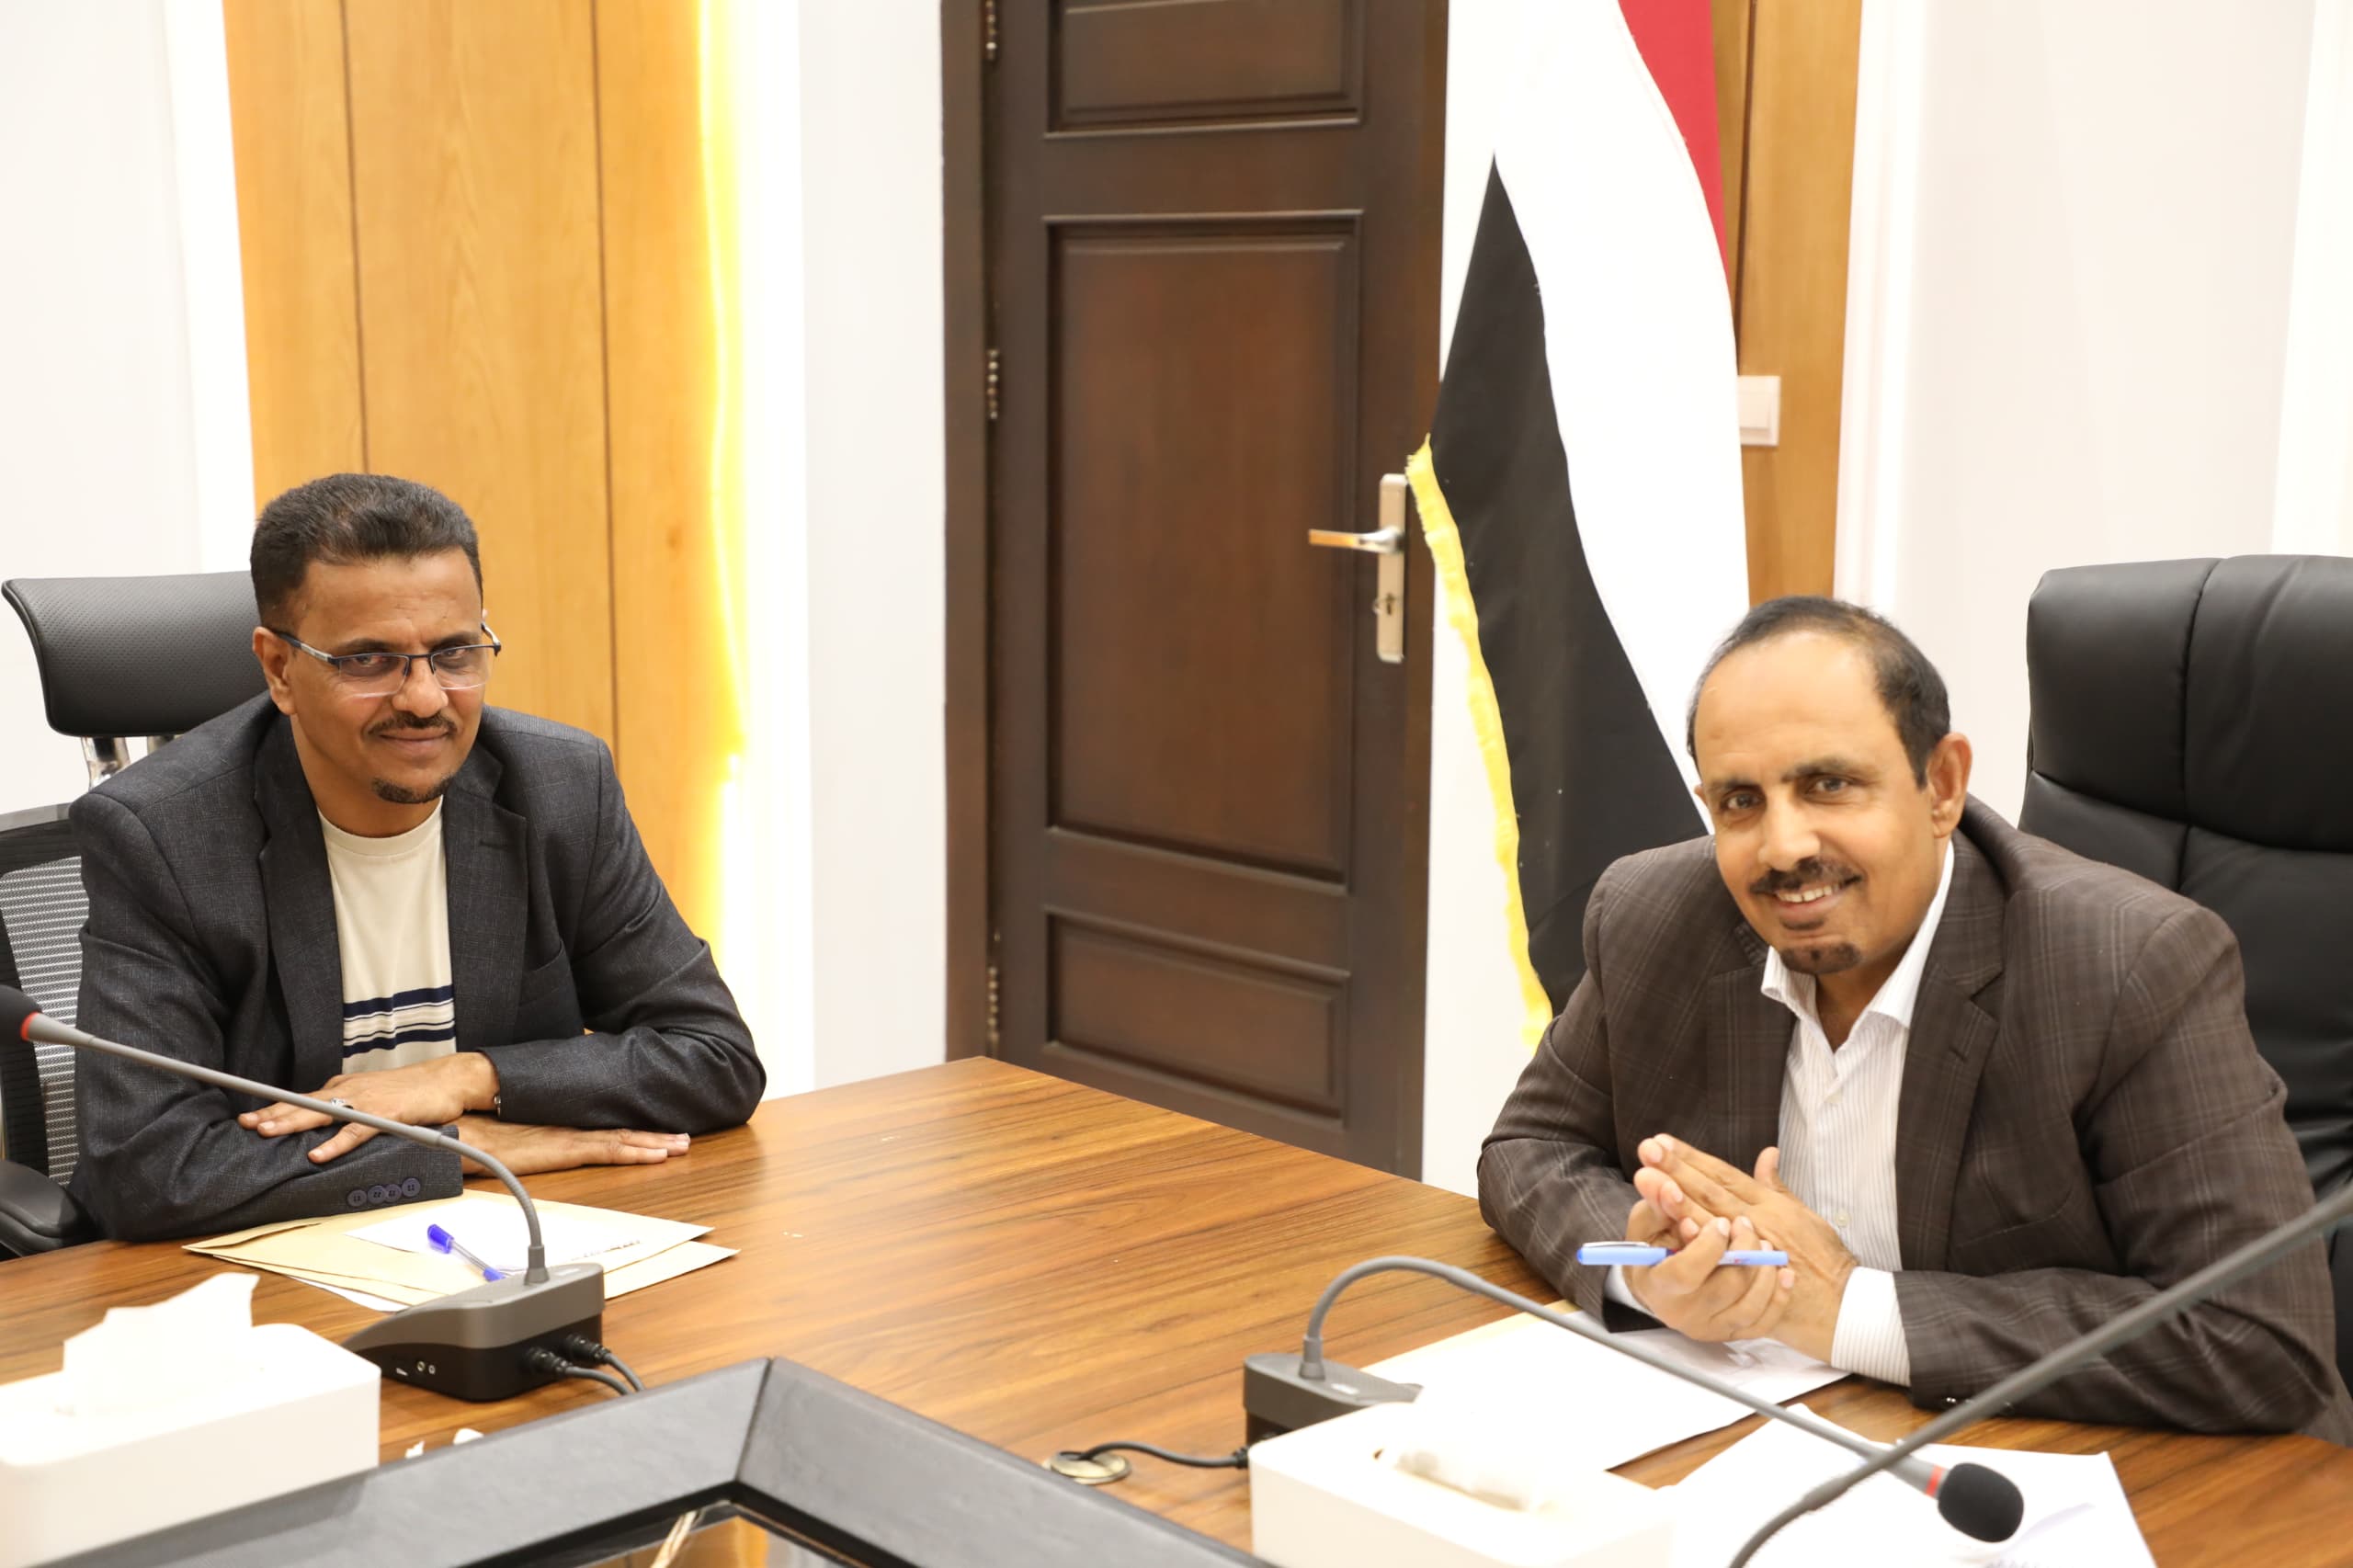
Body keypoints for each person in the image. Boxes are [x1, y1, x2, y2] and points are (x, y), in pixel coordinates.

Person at [1479, 596, 2352, 1441]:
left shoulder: (2129, 962)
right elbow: (1530, 1148)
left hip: (2104, 1475)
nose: (1783, 847)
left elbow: (2257, 1340)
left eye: (1828, 785)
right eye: (1741, 801)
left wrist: (1844, 1309)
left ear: (1942, 786)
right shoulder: (1654, 915)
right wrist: (1649, 1277)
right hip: (1773, 1440)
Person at [68, 473, 764, 1241]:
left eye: (454, 653)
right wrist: (454, 1150)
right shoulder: (162, 836)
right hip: (260, 1273)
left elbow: (714, 1059)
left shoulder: (560, 788)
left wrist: (468, 1079)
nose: (426, 698)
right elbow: (144, 1170)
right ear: (278, 670)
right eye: (370, 660)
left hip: (513, 1239)